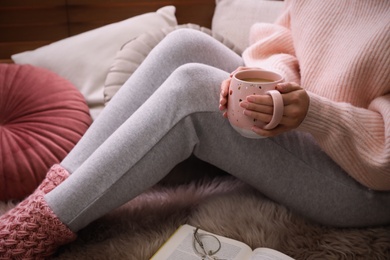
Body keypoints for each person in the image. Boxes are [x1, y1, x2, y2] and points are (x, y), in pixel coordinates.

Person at [1, 0, 389, 258]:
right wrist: (268, 90)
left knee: (193, 87)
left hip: (363, 185)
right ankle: (48, 199)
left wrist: (314, 114)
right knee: (184, 44)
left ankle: (24, 237)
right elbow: (279, 44)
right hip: (303, 129)